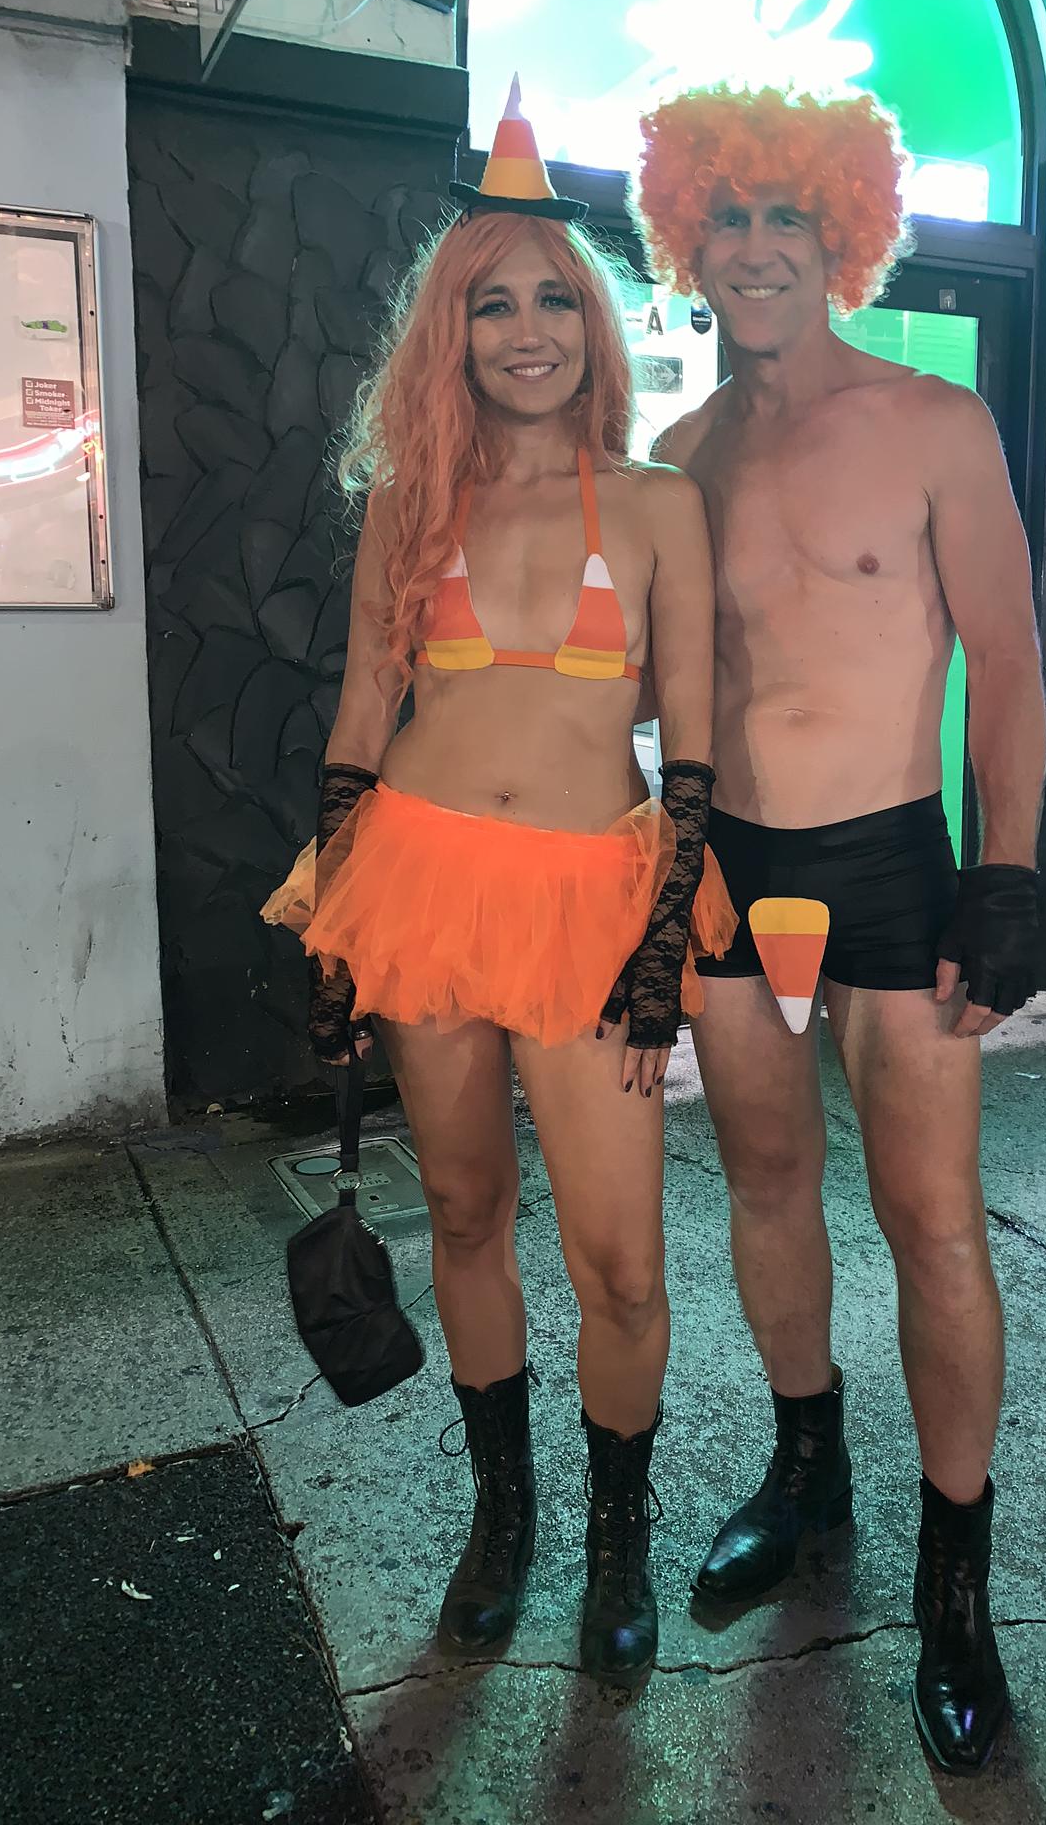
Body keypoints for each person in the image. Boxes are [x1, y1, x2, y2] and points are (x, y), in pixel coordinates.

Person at [264, 85, 733, 1684]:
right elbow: (360, 712)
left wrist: (664, 949)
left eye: (553, 300)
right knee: (465, 1208)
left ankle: (618, 1536)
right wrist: (334, 925)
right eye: (492, 304)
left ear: (595, 328)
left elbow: (693, 750)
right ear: (450, 336)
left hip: (595, 905)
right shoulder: (412, 504)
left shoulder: (661, 505)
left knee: (622, 1260)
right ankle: (504, 1519)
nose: (527, 332)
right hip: (419, 882)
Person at [631, 85, 1046, 1772]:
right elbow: (656, 696)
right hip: (734, 874)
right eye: (725, 218)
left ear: (841, 235)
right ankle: (809, 1469)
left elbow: (1009, 662)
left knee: (932, 1222)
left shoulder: (936, 423)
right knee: (765, 1182)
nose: (754, 249)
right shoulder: (676, 461)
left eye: (785, 217)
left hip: (893, 871)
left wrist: (1006, 872)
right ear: (687, 239)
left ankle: (959, 1582)